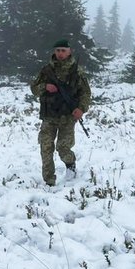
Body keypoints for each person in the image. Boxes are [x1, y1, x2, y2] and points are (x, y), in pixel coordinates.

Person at [29, 38, 92, 186]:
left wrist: (81, 109)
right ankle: (49, 180)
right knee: (46, 147)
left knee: (63, 148)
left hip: (67, 116)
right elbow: (34, 88)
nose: (60, 53)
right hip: (49, 115)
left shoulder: (77, 71)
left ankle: (71, 166)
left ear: (69, 51)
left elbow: (85, 93)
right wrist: (45, 87)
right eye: (58, 50)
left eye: (63, 50)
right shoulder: (46, 70)